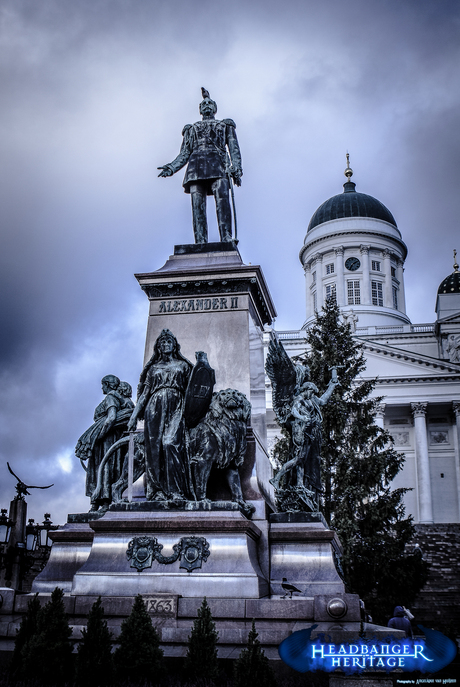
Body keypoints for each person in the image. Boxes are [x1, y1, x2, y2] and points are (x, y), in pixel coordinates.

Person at [158, 88, 242, 244]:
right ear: (200, 109)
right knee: (198, 207)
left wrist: (235, 167)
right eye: (204, 104)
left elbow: (234, 148)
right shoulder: (192, 128)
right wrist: (171, 167)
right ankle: (200, 241)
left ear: (215, 108)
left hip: (219, 167)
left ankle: (226, 237)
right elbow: (184, 153)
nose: (207, 105)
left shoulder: (225, 125)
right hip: (195, 169)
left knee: (223, 203)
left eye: (210, 103)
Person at [128, 330, 193, 502]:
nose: (165, 345)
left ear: (174, 345)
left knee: (170, 443)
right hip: (154, 407)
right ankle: (156, 491)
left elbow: (192, 391)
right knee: (154, 449)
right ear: (158, 347)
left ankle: (177, 490)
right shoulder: (153, 369)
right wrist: (134, 416)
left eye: (168, 342)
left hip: (177, 405)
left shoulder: (183, 366)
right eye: (162, 343)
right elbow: (144, 394)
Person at [75, 374, 129, 510]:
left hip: (106, 440)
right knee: (103, 468)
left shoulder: (111, 398)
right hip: (108, 439)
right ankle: (99, 501)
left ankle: (104, 501)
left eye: (103, 384)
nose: (101, 387)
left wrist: (98, 435)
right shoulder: (118, 398)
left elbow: (111, 418)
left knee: (104, 468)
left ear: (108, 384)